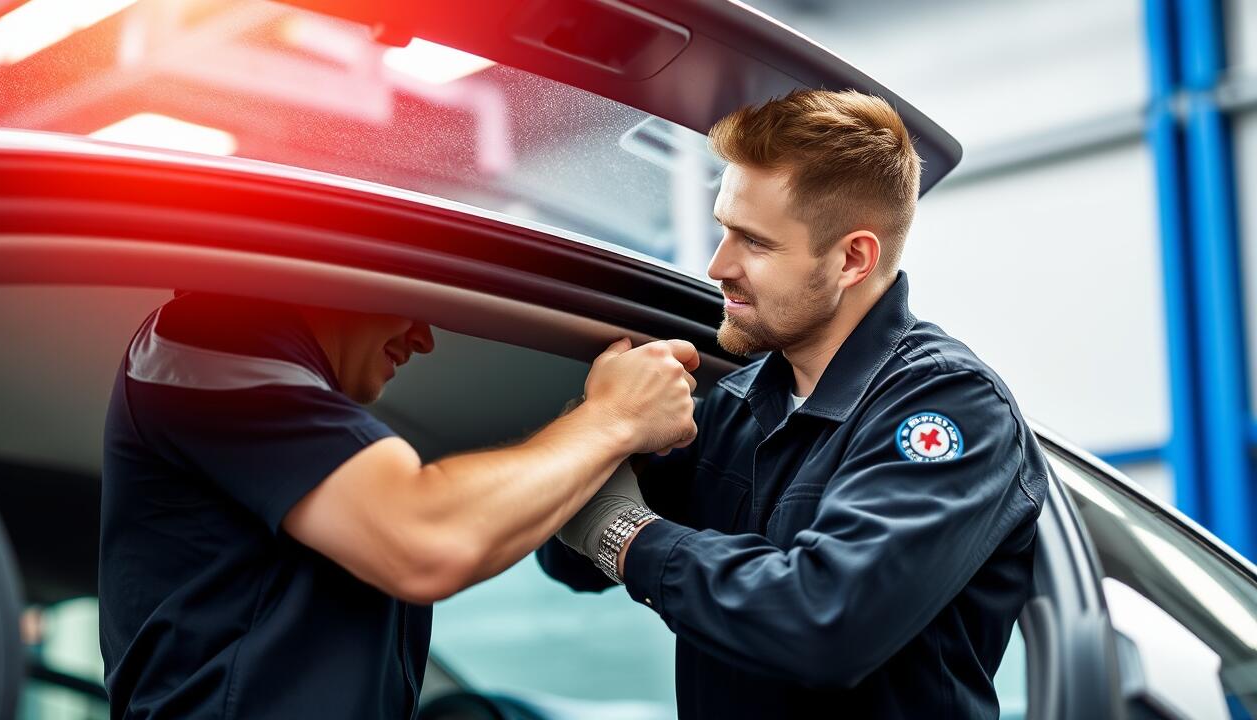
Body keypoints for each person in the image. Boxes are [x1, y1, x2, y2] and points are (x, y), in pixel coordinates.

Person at [538, 89, 1049, 718]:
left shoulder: (950, 406)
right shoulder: (732, 405)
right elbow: (571, 564)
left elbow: (825, 621)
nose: (718, 264)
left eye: (755, 242)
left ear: (852, 259)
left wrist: (623, 532)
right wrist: (603, 434)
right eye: (724, 227)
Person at [99, 291, 698, 719]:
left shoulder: (304, 446)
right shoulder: (210, 327)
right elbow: (426, 542)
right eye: (406, 293)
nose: (425, 337)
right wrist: (613, 420)